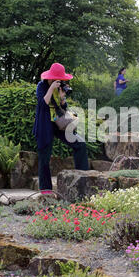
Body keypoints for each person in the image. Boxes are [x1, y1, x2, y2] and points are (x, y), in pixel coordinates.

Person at [33, 63, 89, 192]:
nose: (59, 81)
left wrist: (62, 98)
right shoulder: (41, 86)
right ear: (50, 78)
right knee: (44, 156)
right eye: (57, 79)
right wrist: (52, 88)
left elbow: (63, 107)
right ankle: (46, 189)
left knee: (80, 143)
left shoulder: (61, 87)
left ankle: (84, 177)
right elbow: (43, 103)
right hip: (45, 124)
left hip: (59, 123)